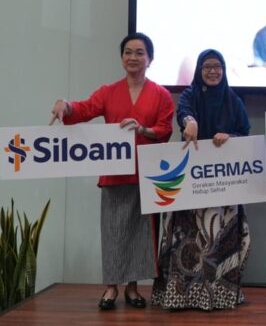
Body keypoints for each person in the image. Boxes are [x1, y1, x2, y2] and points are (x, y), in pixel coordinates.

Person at [49, 32, 174, 311]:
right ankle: (111, 287)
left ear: (150, 59)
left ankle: (132, 288)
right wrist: (65, 104)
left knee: (140, 233)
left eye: (139, 52)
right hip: (114, 172)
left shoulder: (162, 95)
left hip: (146, 174)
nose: (133, 57)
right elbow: (83, 109)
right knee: (113, 232)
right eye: (128, 52)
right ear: (121, 58)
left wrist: (142, 129)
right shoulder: (108, 92)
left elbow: (165, 130)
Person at [151, 49, 252, 310]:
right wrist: (190, 122)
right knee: (187, 241)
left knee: (218, 241)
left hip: (223, 184)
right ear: (199, 70)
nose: (212, 71)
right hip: (191, 184)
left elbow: (245, 134)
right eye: (207, 66)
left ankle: (219, 296)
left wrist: (230, 138)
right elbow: (184, 113)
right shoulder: (190, 95)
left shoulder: (233, 100)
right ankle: (181, 296)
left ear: (224, 69)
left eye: (217, 66)